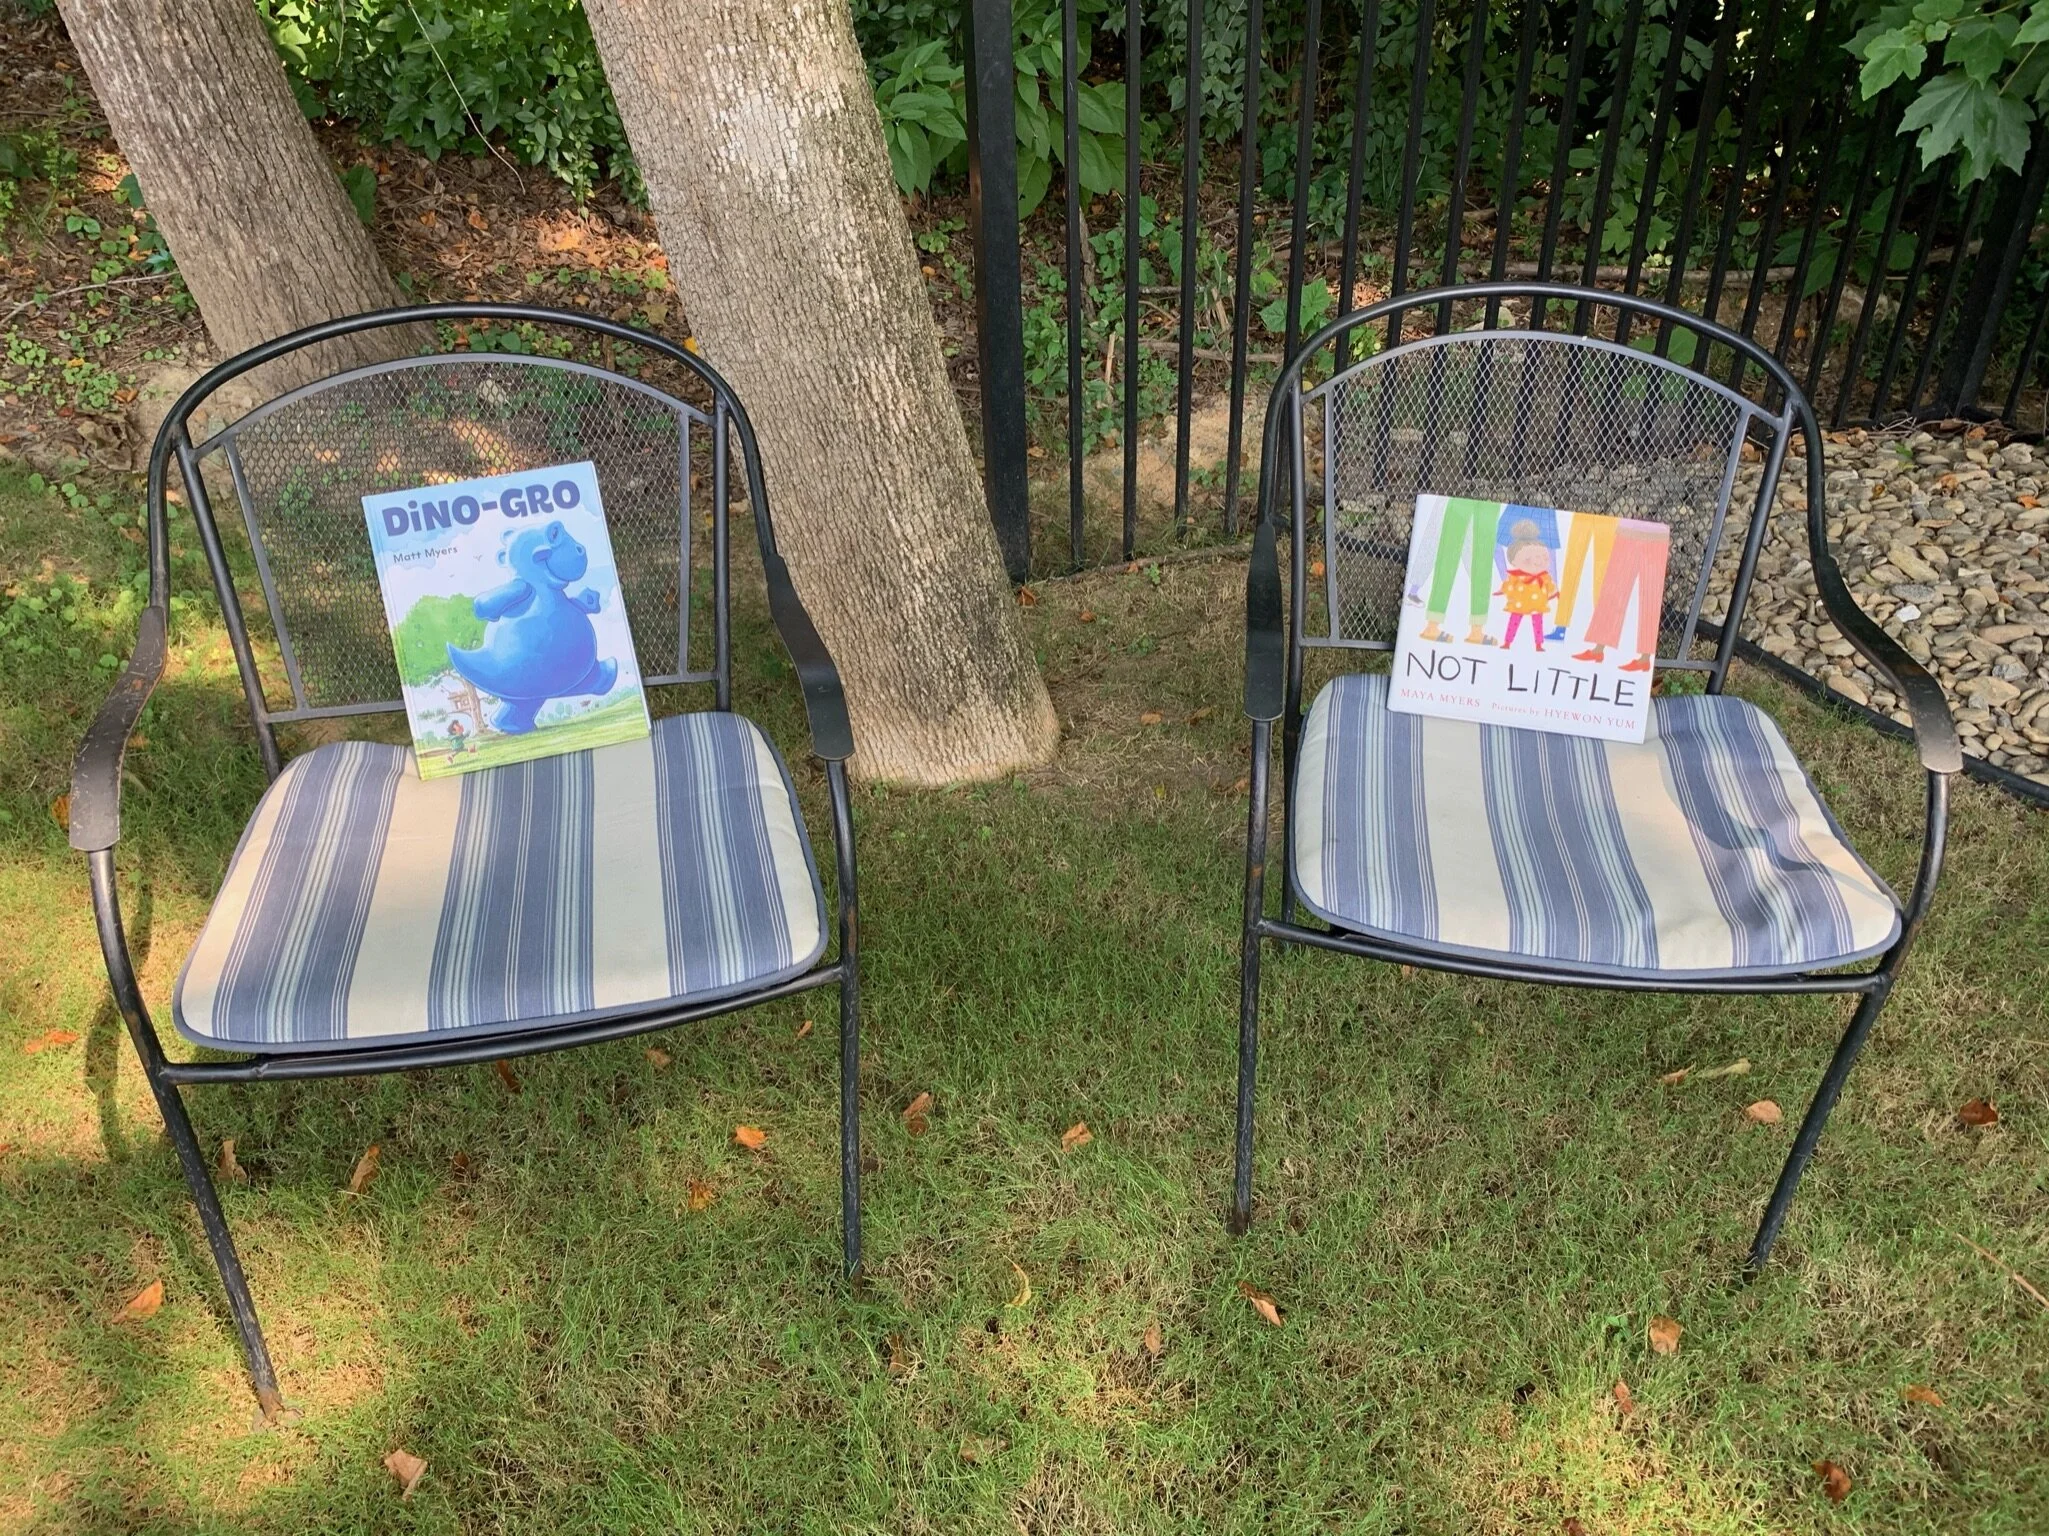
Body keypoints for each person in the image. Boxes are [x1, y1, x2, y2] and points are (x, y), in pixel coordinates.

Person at [1572, 516, 1670, 673]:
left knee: (1651, 595)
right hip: (1628, 532)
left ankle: (1645, 658)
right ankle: (1599, 649)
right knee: (1614, 587)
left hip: (1655, 536)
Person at [1416, 497, 1505, 645]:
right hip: (1473, 494)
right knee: (1454, 552)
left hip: (1478, 495)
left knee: (1475, 553)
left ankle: (1473, 629)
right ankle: (1435, 625)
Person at [1494, 520, 1557, 651]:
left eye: (1544, 558)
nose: (1538, 562)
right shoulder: (1516, 576)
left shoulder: (1544, 577)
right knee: (1513, 622)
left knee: (1538, 624)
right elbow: (1508, 585)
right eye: (1528, 560)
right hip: (1519, 604)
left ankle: (1539, 644)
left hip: (1537, 604)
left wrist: (1554, 592)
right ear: (1514, 561)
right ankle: (1507, 642)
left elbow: (1550, 586)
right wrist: (1504, 590)